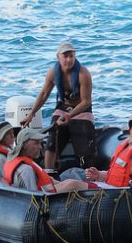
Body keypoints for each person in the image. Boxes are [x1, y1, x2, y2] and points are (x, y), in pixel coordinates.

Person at [21, 41, 97, 170]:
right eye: (65, 56)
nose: (68, 59)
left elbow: (86, 102)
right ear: (58, 57)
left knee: (85, 145)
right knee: (52, 140)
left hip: (81, 109)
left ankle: (90, 176)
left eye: (71, 56)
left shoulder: (83, 74)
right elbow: (44, 93)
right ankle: (49, 173)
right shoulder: (53, 73)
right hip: (63, 107)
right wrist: (31, 114)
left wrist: (70, 116)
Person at [4, 128, 93, 193]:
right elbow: (33, 199)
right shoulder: (26, 170)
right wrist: (70, 185)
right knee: (73, 182)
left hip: (45, 189)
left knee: (71, 178)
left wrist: (61, 183)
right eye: (36, 143)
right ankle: (100, 188)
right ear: (24, 146)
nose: (40, 147)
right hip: (46, 199)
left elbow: (46, 181)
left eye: (40, 143)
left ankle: (97, 185)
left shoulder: (22, 162)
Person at [84, 112, 132, 187]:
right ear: (130, 128)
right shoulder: (127, 145)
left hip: (122, 192)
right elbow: (119, 174)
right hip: (110, 186)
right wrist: (99, 175)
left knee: (73, 184)